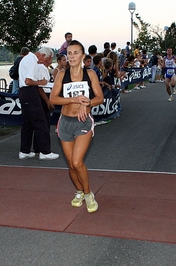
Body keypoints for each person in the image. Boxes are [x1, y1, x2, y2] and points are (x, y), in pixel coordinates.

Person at [50, 40, 104, 213]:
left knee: (77, 161)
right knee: (71, 165)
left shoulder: (90, 74)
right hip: (65, 122)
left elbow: (99, 98)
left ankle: (88, 194)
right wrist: (74, 99)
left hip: (82, 122)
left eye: (75, 53)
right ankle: (79, 191)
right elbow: (53, 99)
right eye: (69, 53)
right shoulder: (61, 75)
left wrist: (87, 103)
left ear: (82, 56)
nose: (72, 56)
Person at [18, 47, 59, 160]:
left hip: (24, 92)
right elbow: (28, 81)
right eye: (46, 60)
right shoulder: (32, 61)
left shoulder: (27, 59)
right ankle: (45, 152)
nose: (44, 63)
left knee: (27, 123)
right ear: (42, 55)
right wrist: (42, 82)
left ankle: (24, 150)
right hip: (30, 91)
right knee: (40, 121)